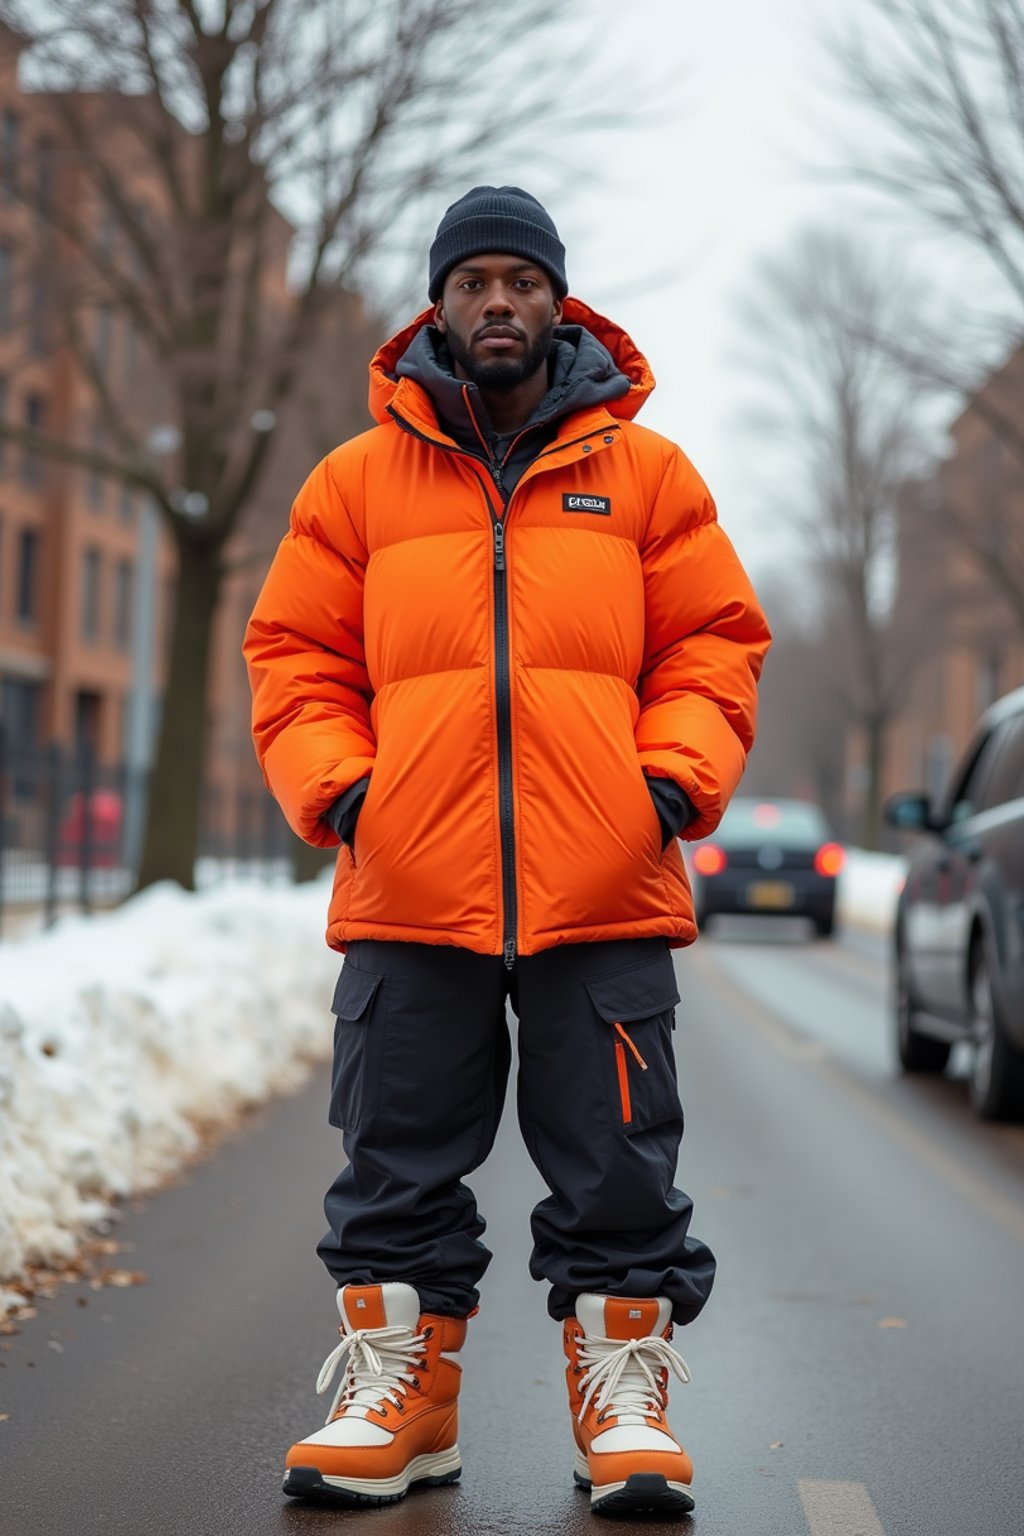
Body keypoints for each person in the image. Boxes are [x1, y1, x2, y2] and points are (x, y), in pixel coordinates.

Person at [244, 185, 771, 1517]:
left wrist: (665, 784)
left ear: (557, 301)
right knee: (395, 1158)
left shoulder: (647, 478)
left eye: (520, 282)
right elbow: (293, 655)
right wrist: (350, 794)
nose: (497, 303)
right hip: (408, 885)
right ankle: (401, 1401)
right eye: (473, 281)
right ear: (439, 303)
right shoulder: (355, 482)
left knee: (617, 1164)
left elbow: (714, 645)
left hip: (607, 887)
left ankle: (621, 1409)